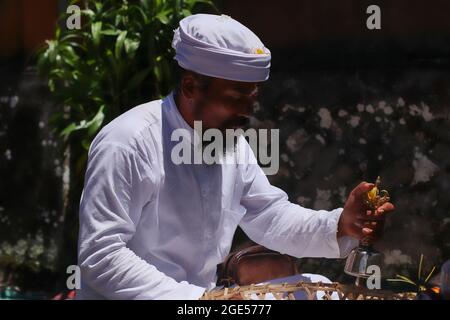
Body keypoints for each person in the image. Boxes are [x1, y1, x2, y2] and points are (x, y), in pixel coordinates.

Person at [76, 13, 394, 299]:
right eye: (235, 98)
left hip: (206, 300)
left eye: (252, 98)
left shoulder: (230, 141)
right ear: (190, 87)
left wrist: (340, 225)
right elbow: (101, 255)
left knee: (319, 289)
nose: (247, 112)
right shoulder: (128, 142)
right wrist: (199, 301)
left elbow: (269, 216)